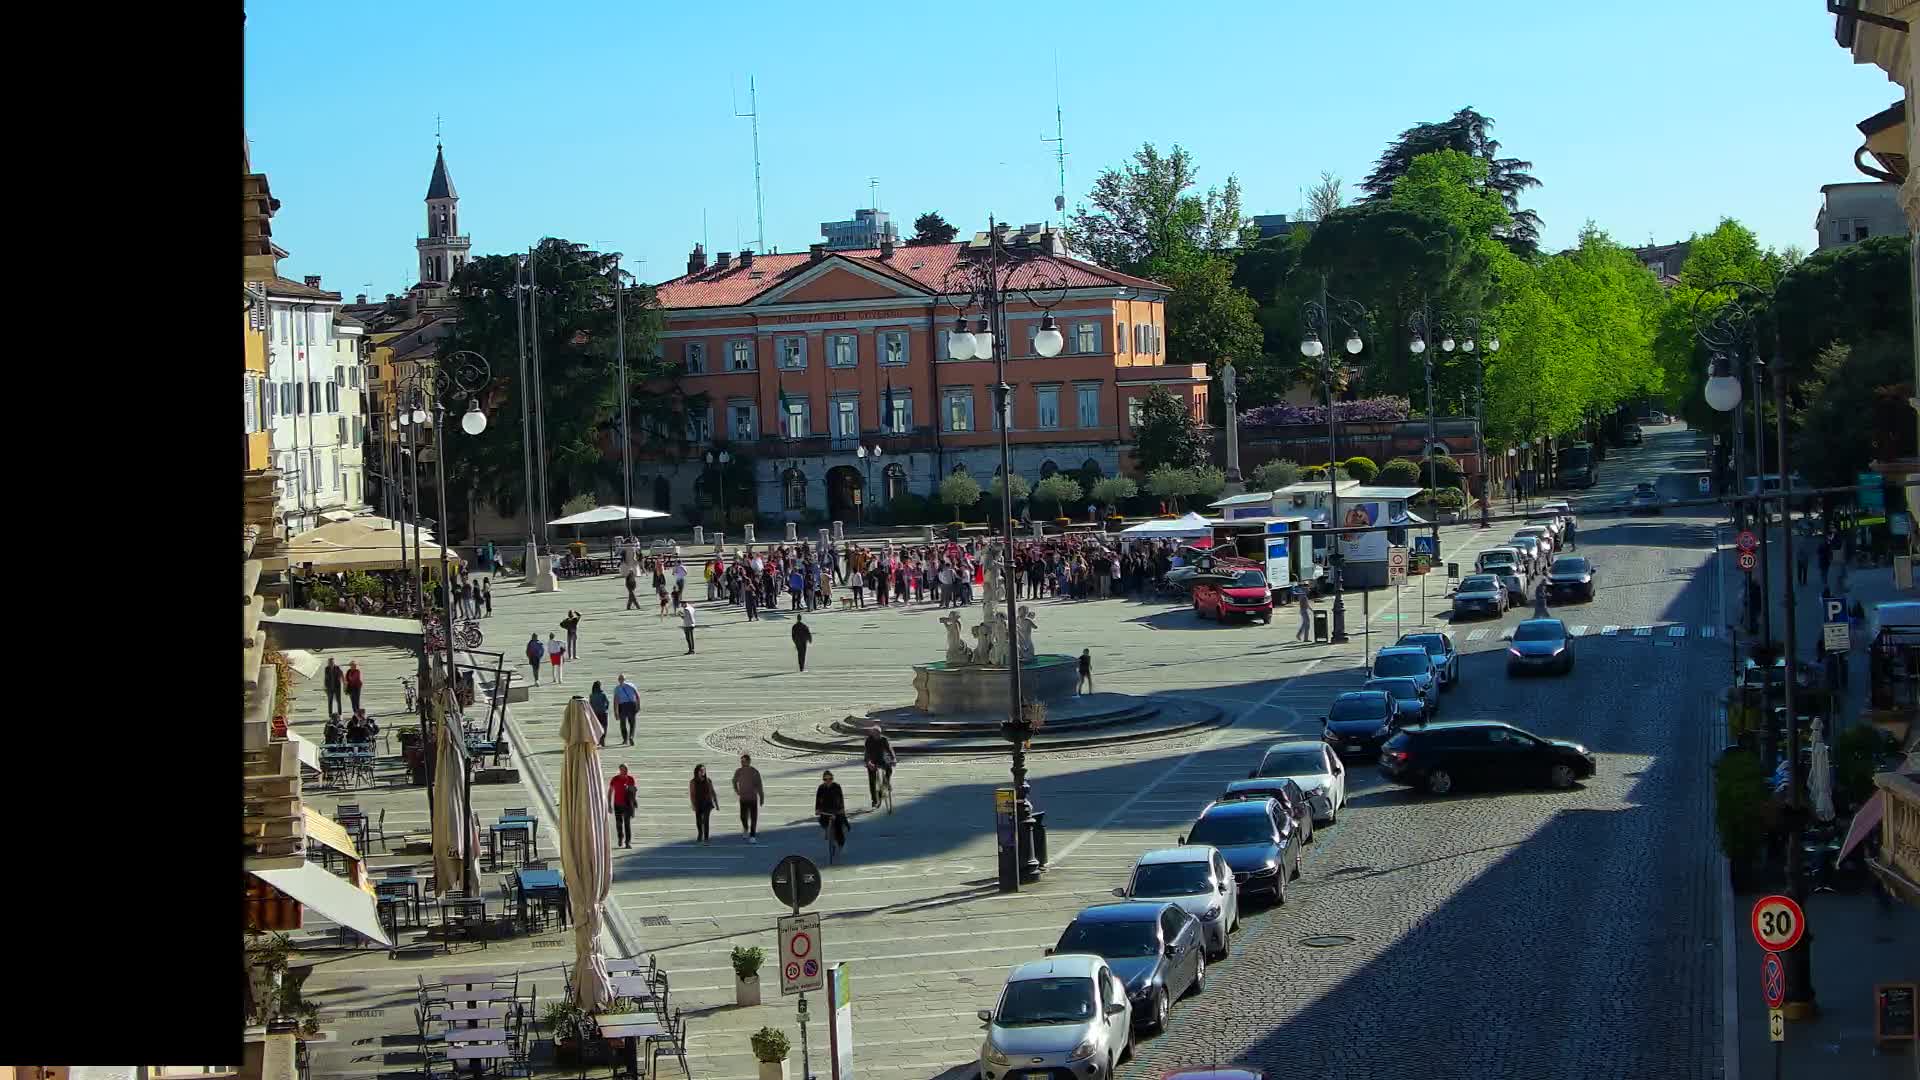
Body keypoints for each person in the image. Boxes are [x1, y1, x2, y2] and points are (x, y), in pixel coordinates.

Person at [815, 769, 849, 860]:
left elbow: (841, 798)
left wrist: (842, 809)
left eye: (829, 779)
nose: (828, 781)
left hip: (836, 810)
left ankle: (841, 844)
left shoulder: (837, 787)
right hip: (825, 811)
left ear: (832, 778)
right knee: (823, 822)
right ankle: (827, 832)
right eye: (825, 779)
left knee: (839, 828)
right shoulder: (821, 788)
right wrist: (817, 809)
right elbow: (818, 800)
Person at [732, 753, 765, 843]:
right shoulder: (738, 771)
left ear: (749, 762)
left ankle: (752, 835)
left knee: (753, 817)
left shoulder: (754, 771)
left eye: (744, 761)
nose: (742, 763)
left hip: (753, 798)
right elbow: (734, 781)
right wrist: (736, 790)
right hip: (743, 798)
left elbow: (759, 785)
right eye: (741, 761)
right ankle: (746, 828)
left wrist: (761, 797)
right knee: (743, 817)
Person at [863, 725, 895, 808]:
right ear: (872, 734)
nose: (877, 735)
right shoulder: (869, 740)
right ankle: (874, 800)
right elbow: (867, 753)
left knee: (889, 769)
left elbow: (889, 750)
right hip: (871, 760)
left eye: (878, 733)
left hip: (881, 760)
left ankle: (885, 784)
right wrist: (869, 762)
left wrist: (893, 759)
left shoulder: (884, 740)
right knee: (872, 780)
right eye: (875, 733)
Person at [609, 764, 637, 849]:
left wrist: (633, 804)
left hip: (627, 804)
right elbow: (610, 792)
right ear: (619, 770)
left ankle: (627, 842)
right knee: (619, 823)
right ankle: (620, 838)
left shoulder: (631, 779)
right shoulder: (615, 779)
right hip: (617, 804)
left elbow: (633, 792)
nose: (624, 771)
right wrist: (609, 805)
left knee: (627, 824)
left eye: (626, 770)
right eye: (622, 770)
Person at [689, 764, 719, 845]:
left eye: (704, 770)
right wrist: (693, 804)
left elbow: (712, 792)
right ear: (697, 771)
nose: (703, 771)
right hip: (698, 803)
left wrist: (716, 803)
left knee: (706, 821)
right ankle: (700, 834)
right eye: (701, 770)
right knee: (699, 821)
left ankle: (706, 838)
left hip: (707, 803)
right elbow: (692, 794)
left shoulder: (708, 780)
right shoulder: (692, 782)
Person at [613, 673, 640, 745]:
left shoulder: (617, 688)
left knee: (623, 723)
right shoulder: (631, 685)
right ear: (625, 679)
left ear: (618, 680)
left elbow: (615, 701)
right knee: (632, 723)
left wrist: (616, 712)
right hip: (632, 705)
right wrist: (638, 705)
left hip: (622, 706)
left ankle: (625, 739)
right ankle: (631, 737)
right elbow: (637, 696)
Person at [589, 680, 611, 748]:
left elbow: (590, 704)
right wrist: (606, 708)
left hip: (595, 713)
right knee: (604, 726)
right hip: (603, 712)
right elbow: (607, 702)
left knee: (597, 727)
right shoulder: (603, 694)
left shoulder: (591, 695)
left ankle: (598, 740)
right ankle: (603, 740)